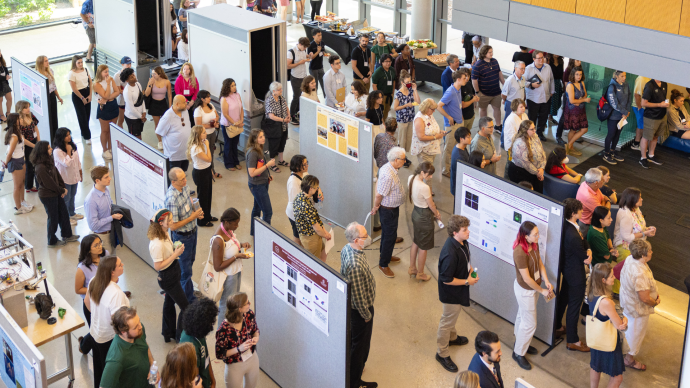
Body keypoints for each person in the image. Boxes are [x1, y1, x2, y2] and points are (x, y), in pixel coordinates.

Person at [436, 215, 475, 372]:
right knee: (447, 321)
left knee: (452, 317)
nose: (468, 232)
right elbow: (446, 279)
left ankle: (452, 338)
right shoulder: (450, 253)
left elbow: (466, 260)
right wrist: (467, 282)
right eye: (464, 230)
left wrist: (471, 271)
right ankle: (442, 353)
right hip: (450, 293)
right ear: (454, 232)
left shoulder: (462, 242)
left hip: (458, 290)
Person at [512, 221, 553, 370]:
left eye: (538, 233)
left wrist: (546, 281)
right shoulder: (519, 252)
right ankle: (518, 352)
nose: (538, 236)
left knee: (522, 317)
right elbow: (527, 278)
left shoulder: (533, 245)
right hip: (526, 290)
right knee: (530, 324)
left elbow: (540, 264)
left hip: (533, 289)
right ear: (526, 236)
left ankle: (521, 341)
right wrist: (541, 290)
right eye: (535, 234)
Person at [341, 222, 377, 388]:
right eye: (364, 236)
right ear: (356, 240)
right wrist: (367, 316)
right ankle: (355, 382)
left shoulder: (347, 248)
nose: (368, 238)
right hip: (360, 312)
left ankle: (353, 369)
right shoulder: (355, 265)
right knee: (360, 346)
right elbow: (358, 297)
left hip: (354, 309)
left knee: (354, 343)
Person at [84, 255, 129, 388]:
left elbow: (86, 302)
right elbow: (119, 322)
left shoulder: (94, 281)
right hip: (109, 339)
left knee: (99, 370)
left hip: (95, 333)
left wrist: (99, 316)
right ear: (112, 272)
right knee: (110, 376)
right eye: (120, 265)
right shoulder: (116, 293)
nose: (123, 265)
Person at [555, 198, 592, 353]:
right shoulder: (574, 235)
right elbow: (586, 258)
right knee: (574, 308)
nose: (582, 212)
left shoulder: (565, 226)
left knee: (563, 299)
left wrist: (586, 247)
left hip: (567, 270)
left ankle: (557, 326)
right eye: (580, 210)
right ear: (573, 213)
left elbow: (583, 243)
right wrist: (588, 252)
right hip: (576, 275)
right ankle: (573, 340)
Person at [148, 208, 189, 343]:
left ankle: (168, 332)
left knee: (169, 303)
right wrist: (175, 255)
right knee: (185, 307)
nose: (172, 222)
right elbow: (158, 266)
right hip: (168, 277)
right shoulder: (157, 244)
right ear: (160, 223)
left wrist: (176, 250)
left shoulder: (165, 233)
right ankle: (180, 337)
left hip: (173, 271)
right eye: (169, 220)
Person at [620, 239, 659, 372]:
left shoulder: (631, 258)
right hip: (637, 309)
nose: (652, 252)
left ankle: (623, 349)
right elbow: (644, 298)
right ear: (643, 255)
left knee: (628, 328)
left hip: (627, 302)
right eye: (649, 251)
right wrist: (655, 302)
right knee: (635, 333)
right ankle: (629, 359)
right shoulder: (640, 272)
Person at [165, 167, 204, 303]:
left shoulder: (185, 188)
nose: (185, 181)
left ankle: (187, 290)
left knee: (190, 262)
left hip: (193, 232)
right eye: (182, 180)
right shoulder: (171, 198)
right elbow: (173, 226)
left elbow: (190, 202)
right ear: (174, 182)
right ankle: (187, 300)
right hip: (182, 237)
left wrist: (197, 211)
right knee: (185, 269)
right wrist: (192, 217)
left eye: (185, 177)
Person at [31, 141, 80, 247]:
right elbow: (49, 184)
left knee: (63, 213)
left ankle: (67, 234)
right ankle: (52, 241)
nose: (51, 149)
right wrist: (61, 191)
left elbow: (57, 174)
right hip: (48, 195)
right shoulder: (40, 168)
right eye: (48, 148)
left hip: (56, 192)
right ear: (43, 151)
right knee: (53, 218)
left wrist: (63, 187)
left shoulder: (48, 161)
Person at [588, 263, 627, 388]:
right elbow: (619, 325)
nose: (614, 277)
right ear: (603, 280)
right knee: (617, 378)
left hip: (596, 339)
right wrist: (625, 318)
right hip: (608, 343)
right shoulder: (607, 302)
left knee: (595, 366)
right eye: (611, 276)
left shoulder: (591, 293)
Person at [370, 147, 406, 278]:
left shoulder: (389, 168)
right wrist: (375, 207)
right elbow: (379, 194)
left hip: (392, 208)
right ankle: (383, 264)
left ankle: (385, 254)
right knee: (389, 236)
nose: (405, 161)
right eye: (403, 159)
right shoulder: (388, 174)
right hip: (388, 210)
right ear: (396, 160)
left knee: (388, 234)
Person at [100, 307, 158, 388]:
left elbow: (144, 346)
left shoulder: (139, 332)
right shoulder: (116, 359)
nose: (140, 326)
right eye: (135, 327)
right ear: (123, 332)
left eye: (139, 321)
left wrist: (152, 364)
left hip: (147, 382)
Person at [212, 207, 252, 322]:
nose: (237, 226)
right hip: (228, 276)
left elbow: (231, 244)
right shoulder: (218, 240)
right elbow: (217, 266)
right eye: (235, 223)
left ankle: (230, 326)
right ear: (227, 222)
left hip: (236, 271)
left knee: (234, 302)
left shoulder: (229, 230)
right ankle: (221, 333)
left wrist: (241, 245)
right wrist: (236, 256)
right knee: (226, 305)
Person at [613, 187, 655, 294]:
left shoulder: (635, 209)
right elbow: (626, 236)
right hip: (625, 247)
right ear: (632, 199)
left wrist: (647, 229)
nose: (642, 199)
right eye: (639, 197)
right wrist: (644, 233)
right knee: (623, 271)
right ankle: (617, 293)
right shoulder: (625, 214)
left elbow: (638, 226)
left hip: (634, 245)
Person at [215, 292, 260, 388]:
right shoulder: (223, 330)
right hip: (235, 364)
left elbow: (255, 330)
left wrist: (256, 337)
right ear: (239, 309)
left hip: (252, 357)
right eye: (247, 303)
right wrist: (239, 348)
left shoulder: (249, 314)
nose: (250, 304)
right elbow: (220, 354)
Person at [407, 161, 439, 282]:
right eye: (429, 174)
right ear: (422, 172)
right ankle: (420, 273)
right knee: (423, 246)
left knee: (416, 240)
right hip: (425, 216)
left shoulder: (411, 178)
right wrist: (437, 214)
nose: (430, 177)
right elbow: (431, 205)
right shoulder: (424, 187)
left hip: (416, 213)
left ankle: (412, 268)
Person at [75, 234, 106, 355]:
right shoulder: (82, 268)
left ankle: (85, 346)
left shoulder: (105, 255)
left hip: (106, 300)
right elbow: (78, 289)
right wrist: (96, 288)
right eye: (96, 245)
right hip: (91, 304)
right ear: (88, 249)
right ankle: (83, 346)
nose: (100, 247)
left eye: (100, 243)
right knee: (96, 331)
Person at [180, 297, 218, 388]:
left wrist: (213, 381)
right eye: (210, 323)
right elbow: (194, 380)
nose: (211, 325)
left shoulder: (199, 331)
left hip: (206, 382)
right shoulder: (190, 345)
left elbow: (206, 357)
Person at [438, 68, 470, 176]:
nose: (466, 80)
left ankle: (452, 166)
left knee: (456, 146)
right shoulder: (450, 91)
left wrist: (460, 116)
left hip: (459, 122)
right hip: (452, 125)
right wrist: (448, 117)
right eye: (464, 78)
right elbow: (439, 106)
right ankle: (445, 170)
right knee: (449, 147)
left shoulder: (459, 89)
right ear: (458, 79)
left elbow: (458, 105)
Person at [85, 166, 123, 251]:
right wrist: (112, 217)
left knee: (112, 260)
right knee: (106, 262)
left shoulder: (106, 190)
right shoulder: (91, 201)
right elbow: (93, 226)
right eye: (106, 177)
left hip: (111, 232)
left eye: (109, 176)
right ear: (97, 181)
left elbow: (110, 204)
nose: (110, 178)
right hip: (102, 237)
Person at [294, 175, 331, 261]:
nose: (317, 189)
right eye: (316, 188)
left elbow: (315, 218)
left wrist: (324, 230)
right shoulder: (306, 205)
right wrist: (325, 235)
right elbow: (317, 228)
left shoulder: (299, 197)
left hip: (306, 235)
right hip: (311, 237)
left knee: (323, 250)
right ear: (310, 188)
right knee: (315, 261)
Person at [245, 129, 275, 236]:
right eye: (260, 137)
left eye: (263, 136)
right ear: (254, 139)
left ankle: (255, 232)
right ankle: (265, 236)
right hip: (257, 185)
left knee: (257, 208)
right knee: (267, 212)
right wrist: (268, 166)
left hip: (262, 182)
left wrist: (267, 174)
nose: (263, 138)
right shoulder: (253, 153)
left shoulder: (259, 149)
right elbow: (252, 173)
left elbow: (260, 165)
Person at [52, 127, 83, 225]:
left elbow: (77, 160)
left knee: (73, 195)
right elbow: (66, 163)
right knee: (66, 199)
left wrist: (80, 172)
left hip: (74, 176)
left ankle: (72, 213)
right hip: (65, 179)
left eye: (69, 134)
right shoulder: (57, 151)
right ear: (61, 137)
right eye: (66, 135)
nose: (69, 137)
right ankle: (65, 218)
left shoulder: (72, 145)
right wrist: (68, 152)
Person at [472, 46, 505, 132]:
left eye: (492, 52)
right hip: (484, 93)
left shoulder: (494, 61)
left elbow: (499, 72)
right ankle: (484, 126)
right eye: (489, 52)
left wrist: (504, 84)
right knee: (483, 109)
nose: (492, 54)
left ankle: (498, 125)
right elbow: (474, 79)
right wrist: (477, 91)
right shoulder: (478, 64)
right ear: (484, 53)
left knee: (497, 108)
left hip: (496, 91)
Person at [507, 120, 546, 193]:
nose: (534, 130)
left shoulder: (535, 136)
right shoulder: (520, 143)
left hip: (536, 172)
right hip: (521, 173)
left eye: (534, 128)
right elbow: (526, 164)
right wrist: (538, 173)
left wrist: (542, 168)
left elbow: (542, 153)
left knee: (538, 193)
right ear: (525, 130)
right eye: (532, 129)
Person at [156, 95, 193, 172]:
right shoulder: (168, 116)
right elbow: (158, 132)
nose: (186, 104)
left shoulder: (185, 111)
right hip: (173, 156)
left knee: (183, 174)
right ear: (177, 104)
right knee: (175, 179)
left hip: (185, 153)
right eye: (184, 102)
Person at [524, 51, 555, 142]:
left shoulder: (548, 67)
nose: (541, 59)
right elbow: (523, 82)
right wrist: (531, 84)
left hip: (546, 97)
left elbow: (551, 79)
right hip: (533, 98)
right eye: (539, 58)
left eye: (542, 57)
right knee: (532, 118)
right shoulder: (528, 68)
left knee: (543, 117)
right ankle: (530, 134)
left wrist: (552, 91)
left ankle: (540, 133)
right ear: (534, 59)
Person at [187, 126, 214, 227]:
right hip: (200, 173)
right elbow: (208, 159)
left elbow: (207, 163)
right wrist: (207, 145)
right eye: (203, 132)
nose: (205, 134)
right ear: (198, 135)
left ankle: (208, 215)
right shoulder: (196, 148)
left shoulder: (201, 143)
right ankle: (201, 220)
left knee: (208, 195)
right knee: (202, 197)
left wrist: (210, 170)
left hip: (206, 170)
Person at [602, 71, 631, 164]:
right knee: (611, 134)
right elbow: (614, 103)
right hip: (613, 116)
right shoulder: (612, 87)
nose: (624, 78)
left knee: (617, 134)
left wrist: (627, 111)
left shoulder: (626, 84)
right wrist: (625, 112)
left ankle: (612, 151)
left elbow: (629, 98)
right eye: (622, 76)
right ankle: (606, 154)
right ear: (616, 76)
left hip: (622, 116)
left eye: (625, 76)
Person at [93, 64, 121, 158]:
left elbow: (117, 92)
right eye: (105, 72)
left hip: (113, 105)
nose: (107, 73)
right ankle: (104, 150)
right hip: (104, 108)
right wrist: (108, 84)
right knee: (105, 130)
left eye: (108, 71)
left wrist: (109, 97)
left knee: (112, 129)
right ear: (100, 73)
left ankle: (110, 148)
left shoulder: (111, 79)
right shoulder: (97, 84)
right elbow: (105, 96)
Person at [639, 79, 668, 168]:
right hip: (651, 116)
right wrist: (659, 105)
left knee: (655, 136)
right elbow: (643, 103)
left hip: (662, 115)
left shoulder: (664, 83)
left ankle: (651, 155)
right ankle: (643, 158)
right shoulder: (650, 85)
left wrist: (664, 105)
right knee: (646, 137)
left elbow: (662, 99)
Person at [193, 90, 221, 179]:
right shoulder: (198, 110)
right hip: (203, 136)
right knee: (205, 154)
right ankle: (207, 173)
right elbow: (198, 125)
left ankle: (212, 170)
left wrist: (213, 123)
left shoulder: (211, 106)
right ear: (202, 99)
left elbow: (217, 116)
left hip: (212, 133)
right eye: (208, 97)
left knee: (211, 153)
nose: (210, 98)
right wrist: (212, 124)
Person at [562, 66, 590, 156]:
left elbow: (585, 93)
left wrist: (581, 99)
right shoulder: (570, 85)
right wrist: (583, 100)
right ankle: (570, 147)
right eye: (577, 74)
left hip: (581, 109)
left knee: (584, 129)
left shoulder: (582, 83)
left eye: (580, 74)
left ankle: (569, 145)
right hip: (572, 110)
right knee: (573, 130)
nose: (579, 76)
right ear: (573, 75)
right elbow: (572, 101)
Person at [575, 168, 611, 237]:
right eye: (602, 180)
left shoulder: (586, 184)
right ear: (596, 183)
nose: (603, 181)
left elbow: (601, 200)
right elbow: (604, 212)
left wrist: (603, 201)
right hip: (587, 226)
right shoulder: (588, 197)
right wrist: (608, 201)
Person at [263, 82, 290, 170]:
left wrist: (288, 115)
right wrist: (283, 120)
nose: (281, 91)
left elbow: (286, 107)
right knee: (273, 145)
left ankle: (281, 160)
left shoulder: (281, 98)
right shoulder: (269, 100)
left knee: (282, 143)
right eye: (279, 90)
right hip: (274, 127)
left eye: (281, 89)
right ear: (274, 91)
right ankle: (272, 164)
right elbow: (271, 116)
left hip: (283, 125)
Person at [35, 55, 64, 139]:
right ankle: (49, 135)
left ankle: (55, 135)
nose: (48, 62)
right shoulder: (37, 74)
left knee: (54, 116)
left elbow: (53, 86)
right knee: (48, 117)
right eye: (45, 61)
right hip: (43, 97)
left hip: (51, 95)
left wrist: (58, 96)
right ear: (40, 63)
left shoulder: (50, 71)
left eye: (47, 60)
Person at [15, 101, 40, 193]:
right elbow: (22, 139)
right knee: (29, 166)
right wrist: (34, 146)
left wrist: (38, 142)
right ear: (20, 109)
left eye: (29, 107)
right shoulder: (19, 121)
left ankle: (38, 185)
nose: (28, 109)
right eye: (26, 107)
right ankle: (28, 186)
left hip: (34, 142)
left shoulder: (31, 115)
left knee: (37, 164)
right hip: (26, 145)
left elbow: (36, 129)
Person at [145, 67, 172, 150]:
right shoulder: (152, 81)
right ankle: (159, 140)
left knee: (165, 123)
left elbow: (169, 95)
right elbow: (146, 94)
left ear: (159, 74)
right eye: (152, 74)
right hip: (154, 104)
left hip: (163, 103)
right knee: (157, 123)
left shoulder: (167, 82)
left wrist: (170, 107)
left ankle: (166, 138)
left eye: (154, 74)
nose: (152, 75)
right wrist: (149, 84)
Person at [393, 69, 420, 156]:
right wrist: (406, 105)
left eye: (410, 81)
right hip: (402, 119)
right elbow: (395, 108)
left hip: (410, 118)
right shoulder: (398, 94)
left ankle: (405, 155)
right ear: (402, 82)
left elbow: (418, 102)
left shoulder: (411, 90)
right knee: (402, 139)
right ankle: (400, 156)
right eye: (407, 82)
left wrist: (415, 90)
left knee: (408, 138)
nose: (409, 83)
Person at [219, 78, 244, 171]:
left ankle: (236, 161)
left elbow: (241, 108)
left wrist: (241, 120)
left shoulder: (237, 95)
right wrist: (234, 123)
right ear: (227, 87)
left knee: (235, 144)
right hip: (228, 124)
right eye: (232, 85)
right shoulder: (224, 98)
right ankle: (229, 163)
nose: (234, 87)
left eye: (235, 85)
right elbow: (225, 114)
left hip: (238, 123)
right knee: (228, 144)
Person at [411, 98, 444, 165]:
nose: (434, 111)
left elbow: (430, 128)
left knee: (429, 168)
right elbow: (421, 137)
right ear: (427, 108)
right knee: (425, 171)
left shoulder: (429, 114)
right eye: (433, 109)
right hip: (424, 151)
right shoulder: (419, 119)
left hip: (432, 149)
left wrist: (439, 132)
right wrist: (435, 137)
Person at [286, 155, 310, 246]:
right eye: (304, 164)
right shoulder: (293, 182)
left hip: (303, 213)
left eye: (307, 163)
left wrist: (319, 191)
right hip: (295, 215)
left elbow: (311, 181)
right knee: (297, 237)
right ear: (297, 167)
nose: (307, 165)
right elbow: (296, 203)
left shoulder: (304, 173)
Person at [68, 55, 93, 143]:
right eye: (78, 63)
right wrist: (82, 97)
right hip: (78, 95)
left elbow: (90, 82)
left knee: (87, 115)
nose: (80, 64)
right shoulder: (72, 73)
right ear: (74, 63)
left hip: (86, 92)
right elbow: (74, 88)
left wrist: (90, 95)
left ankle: (83, 132)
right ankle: (87, 137)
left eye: (81, 62)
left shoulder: (85, 70)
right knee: (82, 116)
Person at [287, 37, 311, 125]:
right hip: (296, 77)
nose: (305, 49)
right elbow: (287, 66)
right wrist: (299, 63)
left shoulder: (303, 50)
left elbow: (306, 57)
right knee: (296, 96)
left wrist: (309, 56)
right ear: (300, 44)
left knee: (303, 96)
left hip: (303, 76)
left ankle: (298, 113)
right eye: (304, 47)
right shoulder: (291, 52)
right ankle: (292, 116)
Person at [500, 61, 526, 138]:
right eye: (521, 69)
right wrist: (505, 100)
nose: (523, 71)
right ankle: (503, 142)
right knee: (508, 123)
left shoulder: (523, 78)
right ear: (515, 68)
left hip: (520, 104)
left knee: (517, 123)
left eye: (524, 69)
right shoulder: (510, 80)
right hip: (511, 104)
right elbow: (503, 94)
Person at [120, 68, 146, 141]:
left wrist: (144, 111)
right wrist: (141, 117)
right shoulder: (127, 91)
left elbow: (141, 98)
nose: (134, 77)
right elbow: (131, 108)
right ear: (127, 80)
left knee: (139, 134)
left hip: (140, 115)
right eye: (131, 77)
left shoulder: (138, 84)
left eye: (133, 75)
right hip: (132, 118)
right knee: (136, 138)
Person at [371, 54, 397, 120]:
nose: (388, 63)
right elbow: (374, 85)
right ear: (382, 62)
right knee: (380, 113)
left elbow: (394, 81)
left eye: (390, 61)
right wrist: (378, 97)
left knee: (386, 112)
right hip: (381, 96)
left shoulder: (392, 70)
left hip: (389, 95)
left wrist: (392, 93)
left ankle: (384, 125)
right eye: (386, 61)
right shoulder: (378, 71)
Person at [502, 98, 529, 162]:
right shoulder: (510, 120)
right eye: (521, 107)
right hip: (512, 146)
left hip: (523, 143)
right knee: (511, 163)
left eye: (524, 106)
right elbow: (512, 137)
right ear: (515, 108)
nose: (523, 108)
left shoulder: (524, 115)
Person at [629, 75, 650, 151]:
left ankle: (636, 143)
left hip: (644, 106)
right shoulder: (641, 78)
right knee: (641, 126)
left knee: (641, 126)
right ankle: (637, 144)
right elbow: (636, 94)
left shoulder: (649, 78)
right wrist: (640, 107)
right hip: (640, 106)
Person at [450, 127, 472, 197]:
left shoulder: (459, 147)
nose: (470, 138)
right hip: (459, 186)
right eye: (468, 137)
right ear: (461, 139)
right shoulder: (459, 156)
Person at [114, 57, 133, 130]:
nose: (129, 66)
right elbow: (118, 91)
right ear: (122, 64)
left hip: (131, 101)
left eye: (130, 64)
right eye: (127, 64)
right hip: (122, 102)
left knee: (131, 120)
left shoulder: (132, 73)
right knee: (121, 121)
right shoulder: (117, 75)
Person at [549, 54, 564, 124]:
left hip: (558, 83)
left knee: (556, 102)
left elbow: (562, 74)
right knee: (550, 101)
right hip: (550, 82)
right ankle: (545, 118)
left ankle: (550, 117)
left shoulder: (561, 61)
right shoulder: (549, 60)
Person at [0, 50, 12, 123]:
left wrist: (7, 76)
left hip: (5, 83)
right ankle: (1, 115)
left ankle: (8, 113)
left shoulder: (2, 62)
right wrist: (5, 77)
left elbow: (6, 70)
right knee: (0, 101)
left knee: (9, 98)